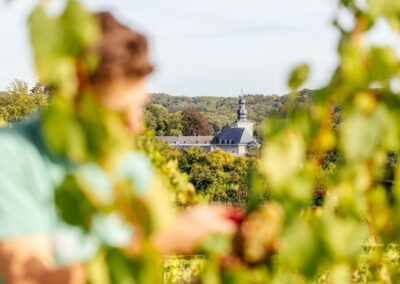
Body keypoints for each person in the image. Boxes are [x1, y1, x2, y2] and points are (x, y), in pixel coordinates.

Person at [0, 12, 237, 284]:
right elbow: (27, 279)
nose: (135, 126)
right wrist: (160, 243)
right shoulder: (12, 156)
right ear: (75, 95)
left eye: (139, 107)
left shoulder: (129, 164)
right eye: (120, 114)